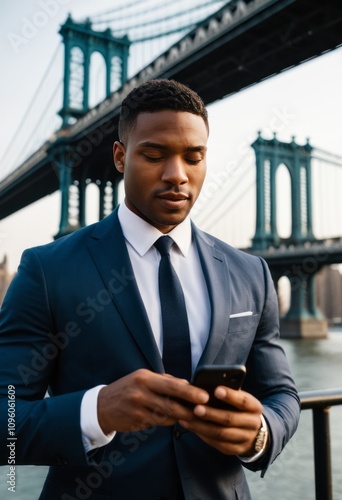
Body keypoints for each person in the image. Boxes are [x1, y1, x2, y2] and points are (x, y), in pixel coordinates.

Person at [0, 79, 300, 500]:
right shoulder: (47, 270)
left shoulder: (250, 272)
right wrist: (96, 411)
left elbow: (281, 394)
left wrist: (261, 433)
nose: (177, 175)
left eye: (193, 157)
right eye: (155, 154)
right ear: (121, 157)